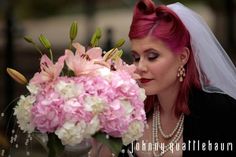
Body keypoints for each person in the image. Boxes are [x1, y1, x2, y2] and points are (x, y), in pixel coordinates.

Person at [90, 0, 236, 156]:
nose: (141, 67)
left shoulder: (222, 112)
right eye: (136, 57)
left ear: (183, 57)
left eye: (152, 56)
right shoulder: (129, 113)